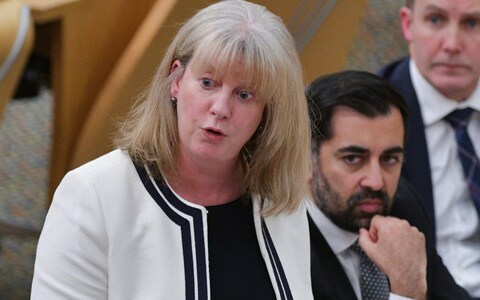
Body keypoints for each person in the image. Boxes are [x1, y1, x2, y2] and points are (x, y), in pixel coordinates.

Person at [30, 1, 313, 298]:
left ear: (267, 111)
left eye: (244, 95)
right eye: (207, 82)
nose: (220, 108)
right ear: (176, 80)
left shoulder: (280, 198)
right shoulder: (93, 196)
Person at [306, 70, 471, 299]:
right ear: (306, 160)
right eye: (353, 159)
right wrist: (407, 291)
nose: (375, 182)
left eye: (389, 159)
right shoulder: (279, 247)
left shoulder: (404, 208)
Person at [379, 0, 480, 297]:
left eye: (472, 23)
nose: (451, 44)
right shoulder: (365, 117)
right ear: (409, 24)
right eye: (436, 20)